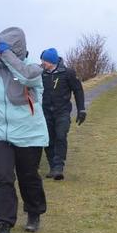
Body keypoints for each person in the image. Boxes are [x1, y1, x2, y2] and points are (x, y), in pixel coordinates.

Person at [0, 27, 49, 233]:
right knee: (2, 176)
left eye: (3, 50)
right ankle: (3, 225)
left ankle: (34, 212)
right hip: (2, 134)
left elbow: (24, 76)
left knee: (28, 176)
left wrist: (8, 54)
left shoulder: (33, 70)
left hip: (29, 134)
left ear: (15, 49)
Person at [39, 47, 86, 180]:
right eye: (42, 61)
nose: (43, 63)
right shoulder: (41, 73)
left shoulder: (68, 73)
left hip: (62, 111)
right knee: (48, 139)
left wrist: (81, 109)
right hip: (45, 112)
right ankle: (53, 166)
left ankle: (59, 166)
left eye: (45, 61)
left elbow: (78, 90)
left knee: (60, 135)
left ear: (52, 61)